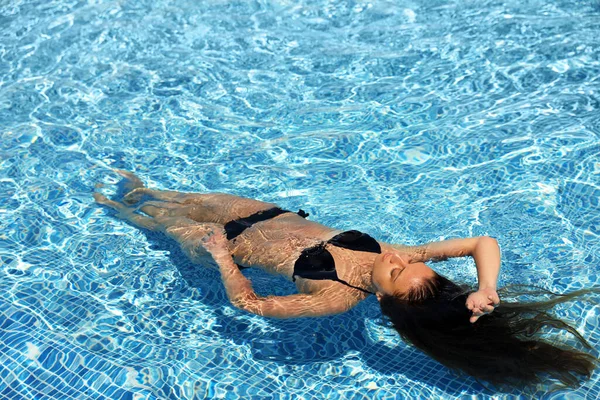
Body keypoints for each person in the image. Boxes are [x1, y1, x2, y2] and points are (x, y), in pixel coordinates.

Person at [94, 170, 598, 389]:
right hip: (261, 212)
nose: (398, 260)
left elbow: (250, 305)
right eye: (410, 264)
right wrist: (485, 288)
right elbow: (482, 242)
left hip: (224, 245)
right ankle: (140, 188)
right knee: (181, 197)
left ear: (386, 302)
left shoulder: (334, 298)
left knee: (158, 222)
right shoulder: (399, 255)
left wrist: (223, 258)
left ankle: (119, 207)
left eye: (398, 274)